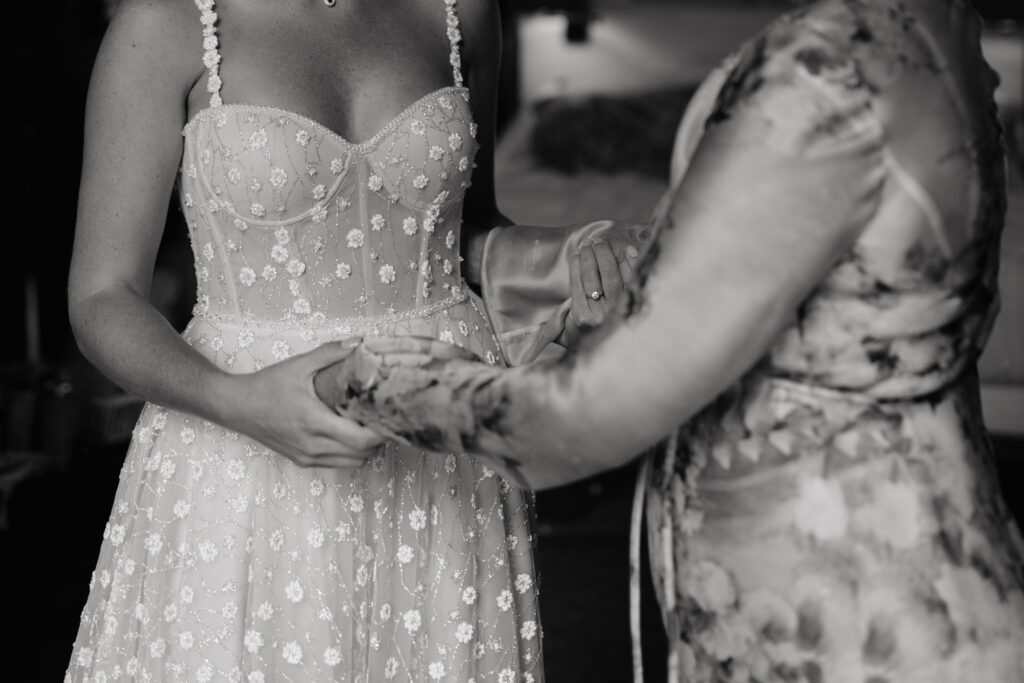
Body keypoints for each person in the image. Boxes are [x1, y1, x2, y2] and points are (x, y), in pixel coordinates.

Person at [315, 0, 1024, 680]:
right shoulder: (935, 25)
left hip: (850, 614)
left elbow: (582, 416)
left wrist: (362, 379)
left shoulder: (827, 68)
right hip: (916, 571)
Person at [64, 0, 639, 679]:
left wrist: (562, 266)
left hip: (446, 456)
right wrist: (234, 399)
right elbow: (103, 295)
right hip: (242, 451)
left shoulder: (464, 11)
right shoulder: (167, 23)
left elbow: (459, 233)